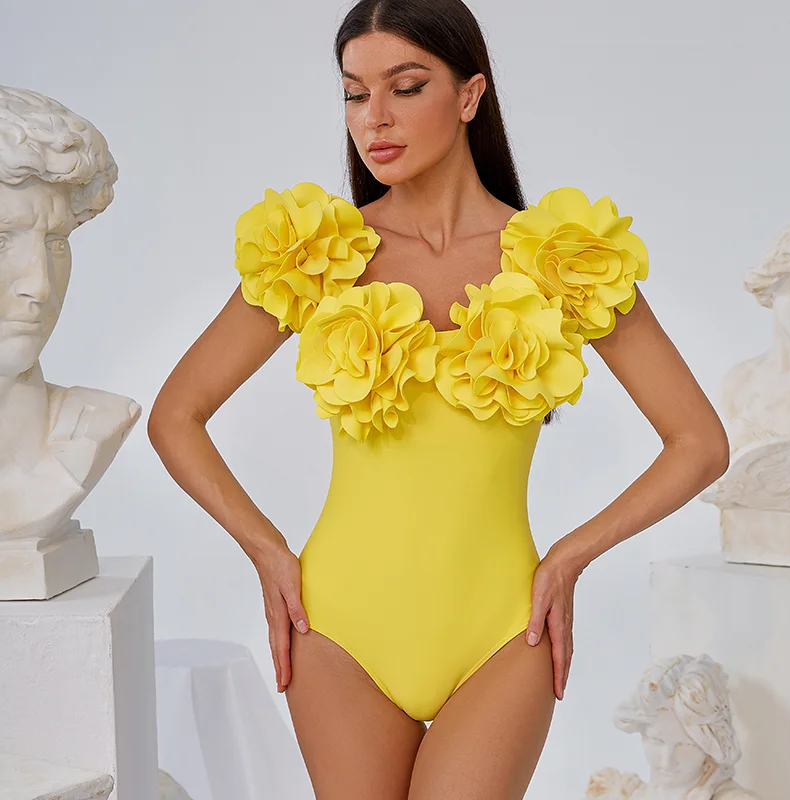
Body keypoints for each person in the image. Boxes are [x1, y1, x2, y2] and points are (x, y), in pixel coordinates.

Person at [147, 0, 731, 797]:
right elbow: (176, 416)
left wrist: (569, 557)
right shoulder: (317, 254)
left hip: (502, 630)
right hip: (338, 628)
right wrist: (267, 551)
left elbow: (700, 443)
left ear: (469, 95)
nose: (374, 118)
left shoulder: (562, 261)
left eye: (406, 86)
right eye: (355, 94)